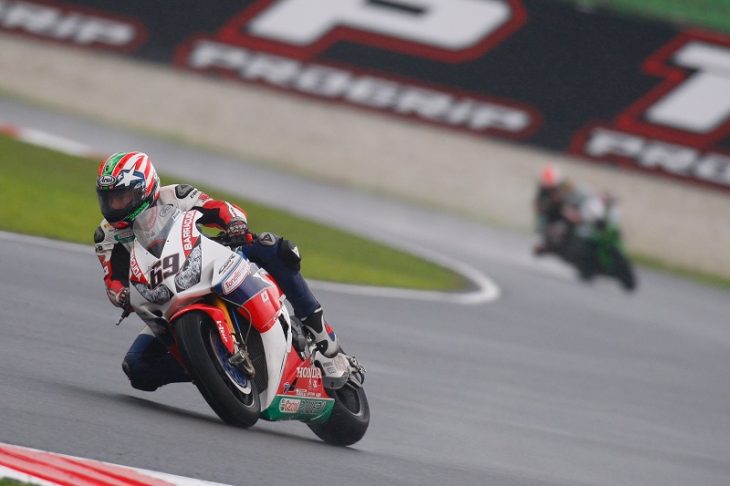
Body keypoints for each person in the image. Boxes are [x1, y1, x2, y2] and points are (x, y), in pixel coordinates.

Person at [94, 151, 340, 391]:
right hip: (165, 296)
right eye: (108, 199)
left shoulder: (176, 195)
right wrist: (121, 295)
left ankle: (322, 335)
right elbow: (113, 279)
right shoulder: (106, 235)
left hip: (206, 262)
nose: (114, 206)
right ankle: (209, 366)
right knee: (137, 367)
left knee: (274, 247)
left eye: (121, 197)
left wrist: (234, 223)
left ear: (144, 190)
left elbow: (218, 208)